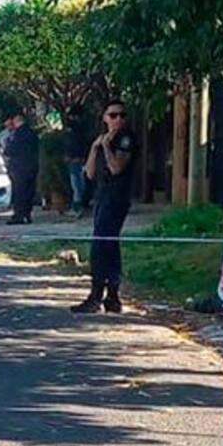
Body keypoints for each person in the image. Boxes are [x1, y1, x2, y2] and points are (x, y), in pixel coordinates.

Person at [73, 99, 138, 314]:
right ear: (105, 118)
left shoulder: (125, 139)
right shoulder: (101, 140)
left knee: (102, 245)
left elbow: (117, 167)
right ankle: (111, 296)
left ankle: (99, 294)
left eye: (121, 115)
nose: (118, 119)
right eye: (113, 115)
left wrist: (108, 147)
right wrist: (95, 147)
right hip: (102, 195)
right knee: (106, 245)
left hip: (117, 197)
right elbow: (90, 173)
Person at [5, 110, 40, 225]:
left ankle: (19, 215)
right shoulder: (32, 133)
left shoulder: (18, 134)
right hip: (32, 166)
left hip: (20, 167)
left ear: (17, 120)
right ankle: (27, 214)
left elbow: (10, 150)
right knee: (29, 191)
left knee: (19, 192)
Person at [64, 106, 91, 217]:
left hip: (75, 158)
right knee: (78, 182)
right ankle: (79, 205)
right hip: (78, 158)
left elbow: (74, 143)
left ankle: (78, 207)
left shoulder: (74, 128)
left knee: (76, 183)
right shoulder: (83, 127)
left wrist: (71, 155)